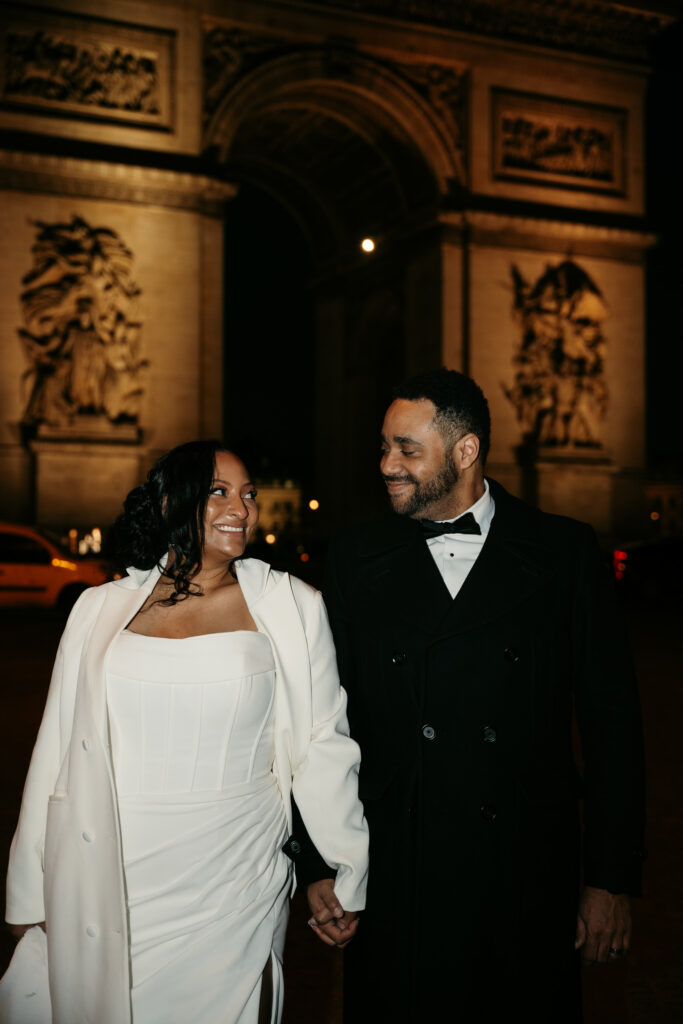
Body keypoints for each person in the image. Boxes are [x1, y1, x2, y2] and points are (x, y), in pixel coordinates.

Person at [292, 368, 645, 1022]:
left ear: (464, 451)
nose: (385, 465)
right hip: (396, 870)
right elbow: (317, 725)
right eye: (382, 447)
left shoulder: (564, 552)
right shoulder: (353, 557)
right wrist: (317, 863)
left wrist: (608, 880)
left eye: (405, 449)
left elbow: (610, 724)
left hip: (524, 871)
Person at [4, 440, 368, 1024]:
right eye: (219, 491)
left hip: (235, 874)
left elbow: (324, 746)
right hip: (111, 864)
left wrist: (346, 866)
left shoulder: (293, 606)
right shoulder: (98, 608)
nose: (242, 508)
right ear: (173, 501)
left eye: (248, 494)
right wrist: (27, 889)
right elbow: (56, 752)